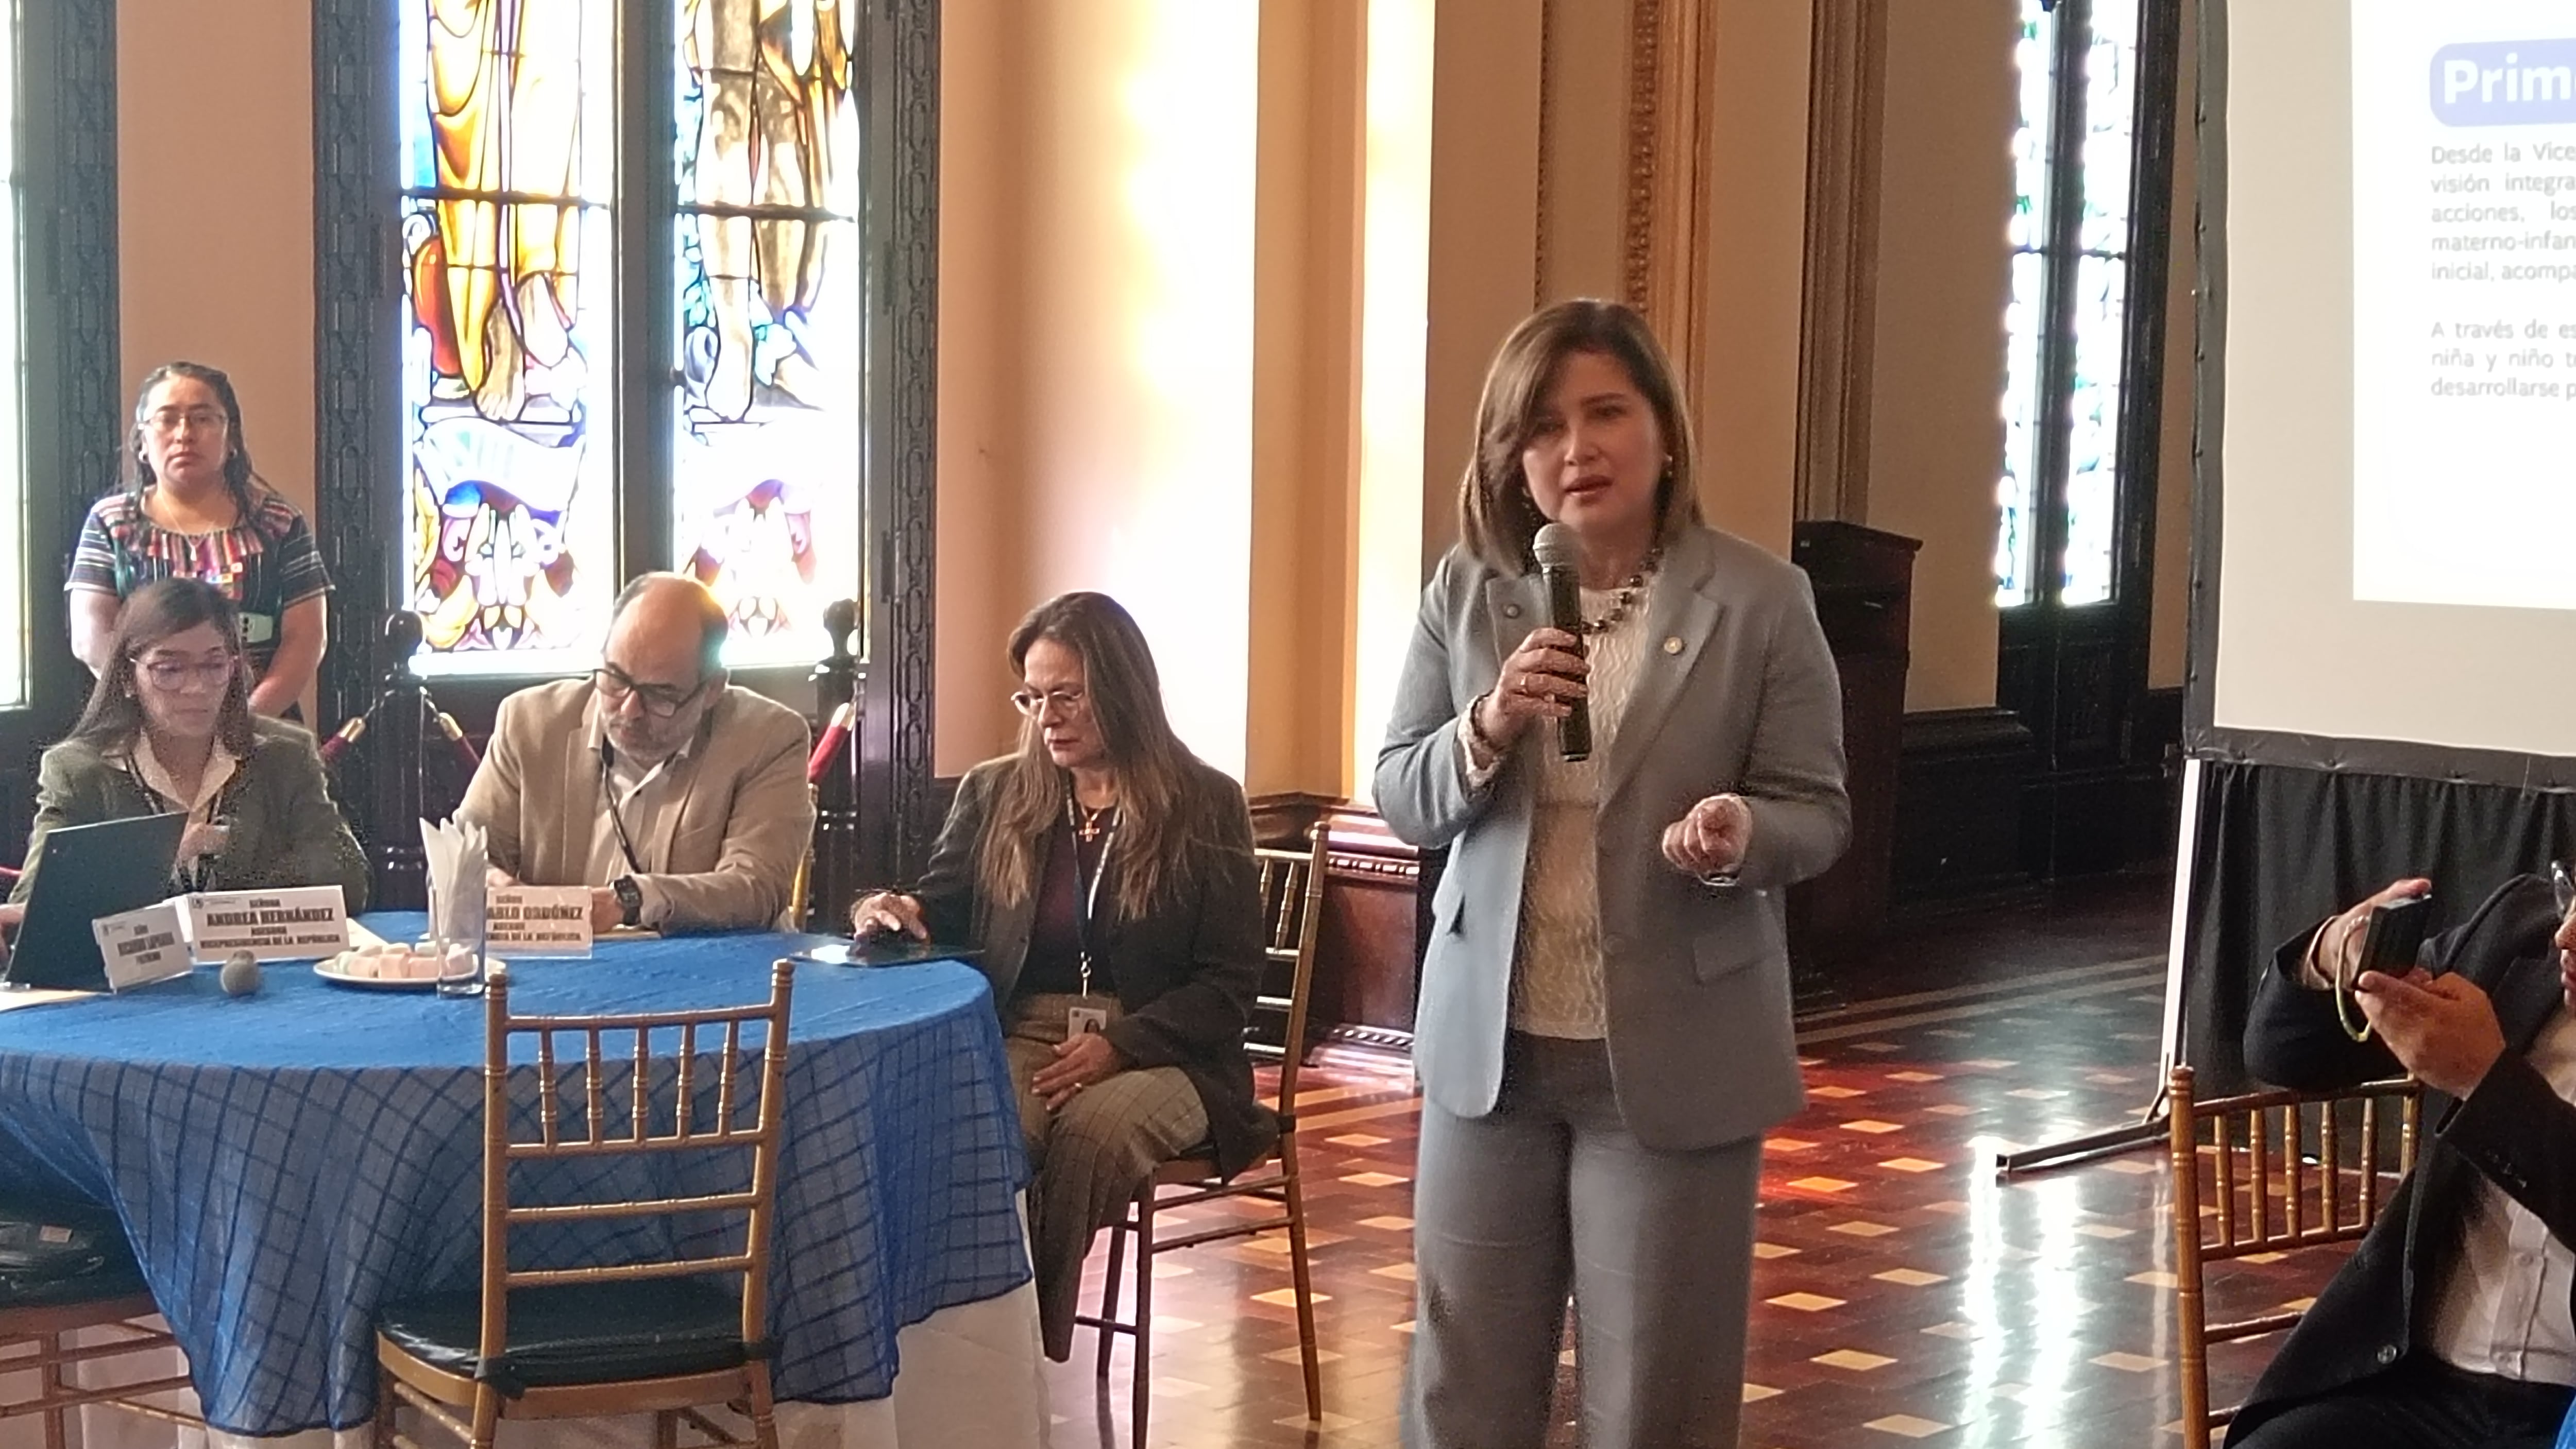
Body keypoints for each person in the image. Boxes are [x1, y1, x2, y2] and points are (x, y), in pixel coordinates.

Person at [1374, 299, 1851, 1449]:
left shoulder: (1759, 598)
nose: (1575, 447)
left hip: (1672, 1057)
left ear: (1664, 434)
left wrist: (1744, 829)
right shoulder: (1468, 589)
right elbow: (1400, 788)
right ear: (1512, 459)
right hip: (1491, 1051)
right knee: (1462, 1390)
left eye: (1605, 413)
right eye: (1543, 426)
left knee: (1655, 1397)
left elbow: (1820, 811)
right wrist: (1484, 726)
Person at [849, 591, 1265, 1363]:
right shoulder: (998, 791)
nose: (1047, 717)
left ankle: (1022, 1360)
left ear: (1122, 687)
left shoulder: (1206, 803)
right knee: (994, 1134)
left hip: (1168, 1046)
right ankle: (966, 1347)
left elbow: (1230, 985)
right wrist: (899, 907)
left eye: (1066, 695)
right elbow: (944, 902)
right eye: (1034, 697)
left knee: (1091, 1137)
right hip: (1027, 1029)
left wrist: (1123, 1044)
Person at [2227, 871, 2576, 1447]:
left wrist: (2486, 1081)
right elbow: (2283, 1051)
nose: (2566, 933)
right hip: (2418, 1387)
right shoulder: (2517, 932)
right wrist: (2333, 955)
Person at [459, 572, 813, 934]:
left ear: (712, 690)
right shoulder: (530, 723)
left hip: (712, 976)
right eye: (615, 679)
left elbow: (756, 889)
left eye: (660, 695)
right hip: (564, 971)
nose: (628, 710)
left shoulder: (768, 738)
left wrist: (630, 899)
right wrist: (489, 883)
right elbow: (463, 853)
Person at [12, 577, 367, 909]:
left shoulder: (284, 754)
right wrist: (156, 859)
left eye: (213, 666)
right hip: (131, 972)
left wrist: (224, 843)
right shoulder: (79, 771)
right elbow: (34, 902)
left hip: (262, 968)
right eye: (169, 670)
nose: (196, 688)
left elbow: (348, 879)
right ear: (127, 677)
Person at [69, 363, 332, 716]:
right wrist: (159, 711)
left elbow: (306, 637)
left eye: (203, 418)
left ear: (232, 438)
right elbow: (91, 636)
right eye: (167, 419)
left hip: (261, 730)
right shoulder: (111, 523)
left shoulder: (279, 522)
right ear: (143, 442)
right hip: (141, 725)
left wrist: (247, 721)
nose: (184, 434)